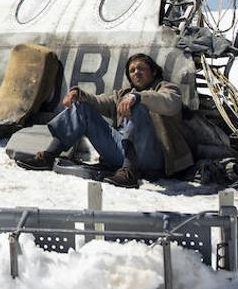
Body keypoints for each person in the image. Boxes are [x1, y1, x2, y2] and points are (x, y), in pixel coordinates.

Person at [16, 53, 193, 188]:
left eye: (141, 68)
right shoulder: (123, 95)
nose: (136, 73)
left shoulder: (168, 89)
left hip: (154, 158)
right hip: (121, 153)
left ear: (153, 71)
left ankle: (130, 173)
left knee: (138, 107)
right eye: (132, 70)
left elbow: (169, 103)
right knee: (82, 107)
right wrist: (79, 94)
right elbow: (101, 101)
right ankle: (48, 156)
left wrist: (138, 98)